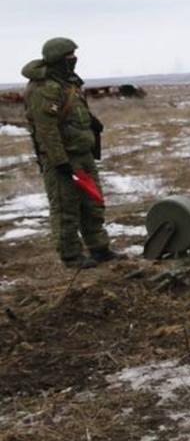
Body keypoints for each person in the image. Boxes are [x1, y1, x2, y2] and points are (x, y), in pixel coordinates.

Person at [21, 37, 121, 269]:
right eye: (69, 56)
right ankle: (71, 255)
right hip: (63, 158)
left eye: (74, 56)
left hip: (82, 155)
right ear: (57, 59)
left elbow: (74, 111)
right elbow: (46, 130)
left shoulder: (68, 82)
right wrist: (59, 161)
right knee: (66, 208)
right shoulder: (44, 88)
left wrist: (91, 122)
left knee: (92, 203)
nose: (73, 60)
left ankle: (99, 248)